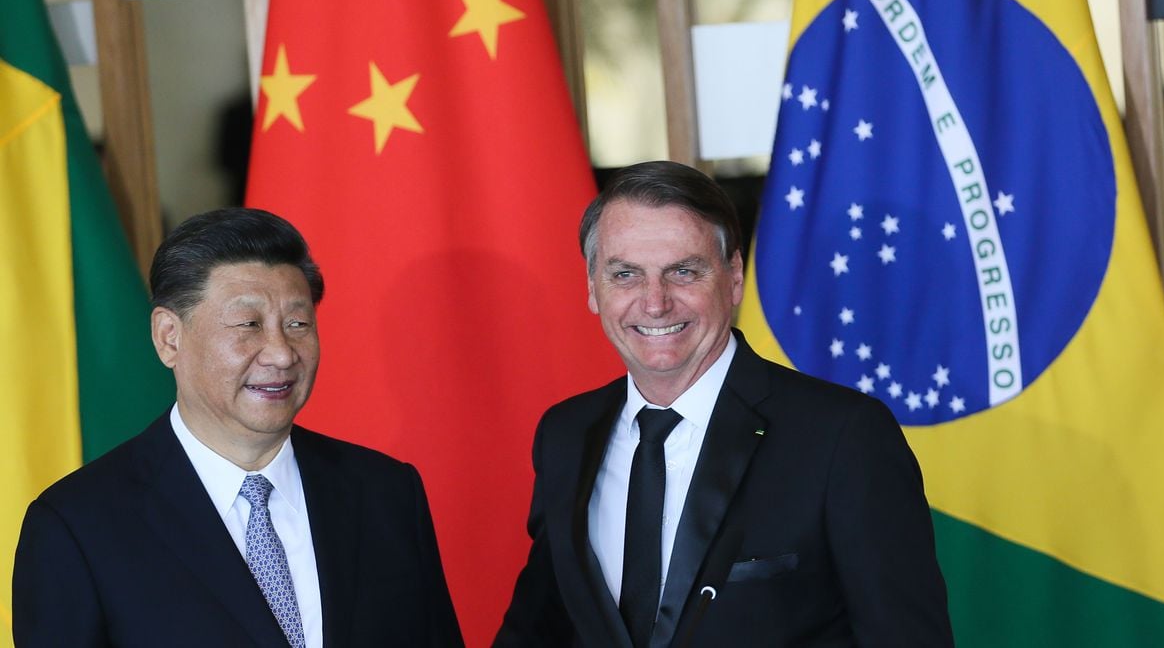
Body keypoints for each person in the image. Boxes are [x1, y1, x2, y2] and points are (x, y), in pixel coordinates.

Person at [495, 161, 953, 647]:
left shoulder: (843, 437)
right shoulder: (566, 434)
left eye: (683, 271)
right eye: (626, 274)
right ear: (592, 287)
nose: (655, 302)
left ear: (733, 276)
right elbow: (536, 629)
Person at [13, 208, 463, 647]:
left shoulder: (386, 493)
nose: (282, 353)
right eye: (249, 324)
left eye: (297, 324)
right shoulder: (77, 527)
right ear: (169, 337)